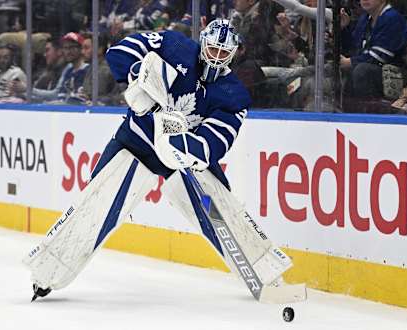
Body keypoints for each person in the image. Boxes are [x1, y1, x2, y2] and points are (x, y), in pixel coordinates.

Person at [29, 18, 254, 300]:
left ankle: (257, 267)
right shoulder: (175, 45)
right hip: (136, 140)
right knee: (95, 204)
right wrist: (139, 76)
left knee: (220, 208)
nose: (216, 56)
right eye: (213, 48)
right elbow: (121, 52)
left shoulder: (234, 94)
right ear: (202, 42)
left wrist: (187, 145)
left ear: (234, 54)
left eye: (224, 52)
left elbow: (216, 142)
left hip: (179, 157)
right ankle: (48, 273)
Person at [340, 0, 407, 100]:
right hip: (367, 69)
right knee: (327, 69)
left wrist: (349, 62)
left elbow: (380, 56)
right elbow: (354, 48)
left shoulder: (393, 18)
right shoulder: (365, 19)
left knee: (362, 71)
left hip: (393, 75)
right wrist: (343, 28)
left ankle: (369, 112)